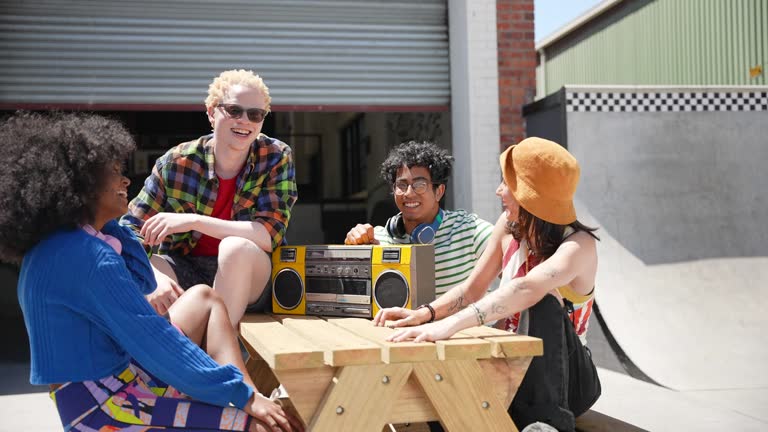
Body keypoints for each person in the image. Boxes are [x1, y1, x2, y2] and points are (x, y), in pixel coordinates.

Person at [0, 112, 302, 432]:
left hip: (108, 383)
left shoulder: (70, 241)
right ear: (83, 187)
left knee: (203, 299)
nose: (125, 181)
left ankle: (255, 396)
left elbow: (142, 276)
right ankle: (255, 404)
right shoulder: (88, 258)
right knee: (262, 428)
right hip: (106, 410)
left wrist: (109, 223)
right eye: (115, 173)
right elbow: (155, 342)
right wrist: (240, 398)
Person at [373, 137, 602, 432]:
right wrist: (425, 315)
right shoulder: (508, 227)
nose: (499, 191)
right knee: (441, 388)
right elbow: (471, 290)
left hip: (569, 384)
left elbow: (526, 289)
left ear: (530, 194)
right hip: (509, 367)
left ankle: (547, 424)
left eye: (507, 184)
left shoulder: (579, 245)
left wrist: (450, 325)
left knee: (544, 300)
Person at [121, 69, 298, 327]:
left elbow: (268, 236)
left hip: (248, 274)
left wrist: (194, 221)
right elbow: (129, 231)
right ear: (211, 113)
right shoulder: (176, 162)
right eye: (234, 111)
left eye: (255, 114)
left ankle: (212, 354)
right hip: (186, 266)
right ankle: (174, 353)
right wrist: (151, 277)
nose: (245, 121)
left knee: (234, 247)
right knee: (145, 264)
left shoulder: (275, 156)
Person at [344, 141, 493, 296]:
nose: (409, 193)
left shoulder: (469, 231)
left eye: (419, 185)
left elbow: (517, 270)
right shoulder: (377, 239)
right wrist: (354, 248)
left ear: (439, 191)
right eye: (401, 185)